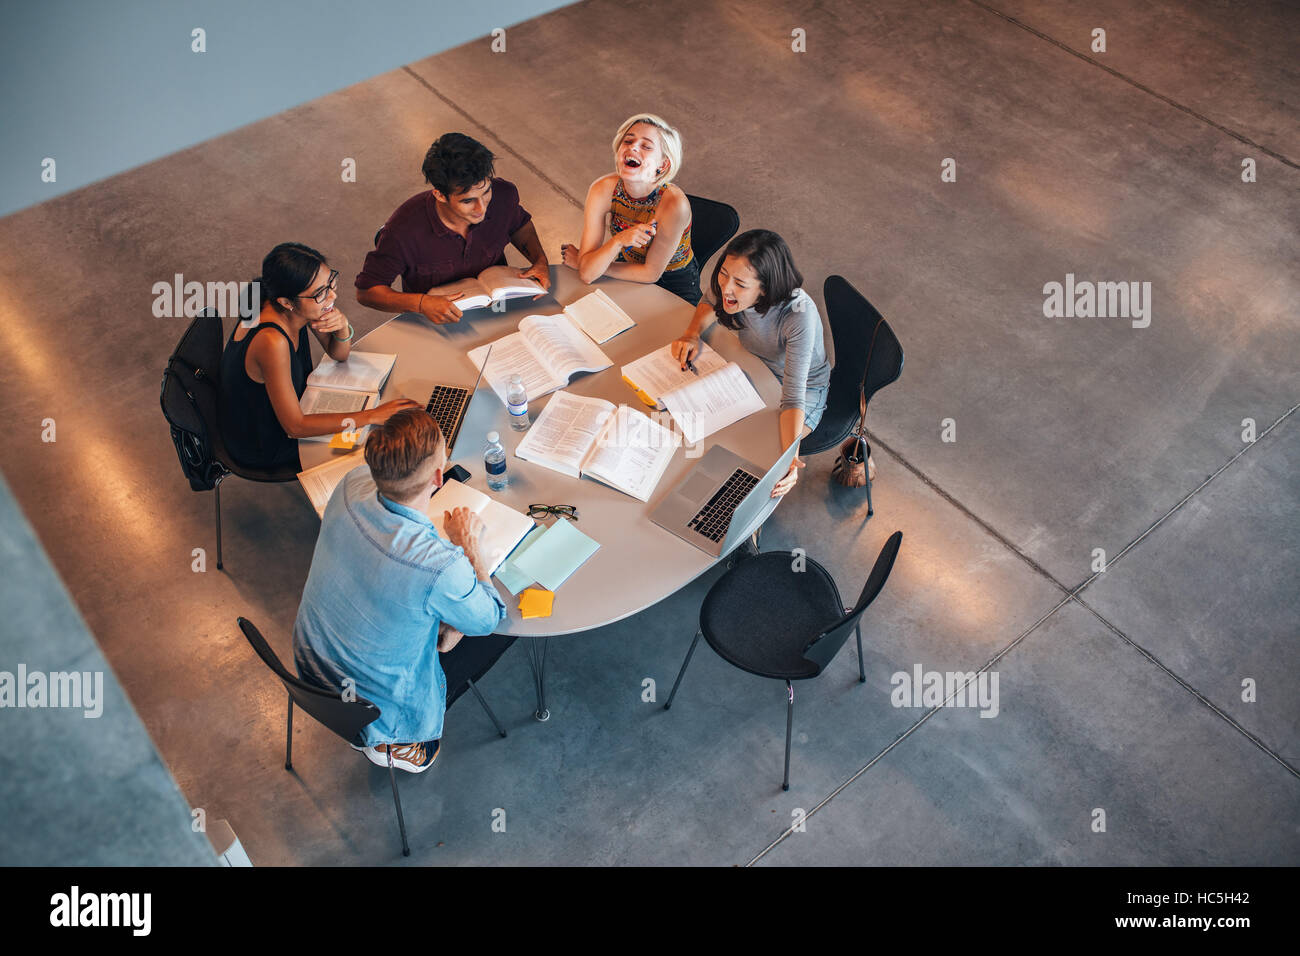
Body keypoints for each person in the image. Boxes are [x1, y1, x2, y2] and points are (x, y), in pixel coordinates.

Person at [293, 409, 507, 773]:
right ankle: (403, 742)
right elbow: (488, 617)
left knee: (443, 620)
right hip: (371, 712)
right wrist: (469, 546)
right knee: (499, 631)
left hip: (310, 667)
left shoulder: (350, 484)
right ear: (440, 476)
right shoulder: (439, 565)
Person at [218, 242, 419, 471]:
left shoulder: (291, 302)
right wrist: (371, 416)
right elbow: (295, 427)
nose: (333, 295)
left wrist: (342, 326)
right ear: (287, 302)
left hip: (286, 407)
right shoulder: (272, 341)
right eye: (321, 293)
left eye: (330, 282)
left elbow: (339, 354)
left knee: (373, 420)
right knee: (372, 445)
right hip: (264, 440)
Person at [670, 230, 831, 497]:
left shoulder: (799, 316)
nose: (726, 288)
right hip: (754, 366)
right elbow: (710, 301)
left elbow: (792, 398)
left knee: (759, 454)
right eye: (723, 274)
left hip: (802, 389)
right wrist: (692, 334)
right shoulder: (731, 281)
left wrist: (790, 459)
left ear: (765, 288)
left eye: (740, 285)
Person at [355, 132, 551, 325]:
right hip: (437, 323)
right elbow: (367, 292)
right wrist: (421, 303)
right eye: (468, 201)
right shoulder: (403, 231)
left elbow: (520, 226)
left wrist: (539, 260)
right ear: (439, 195)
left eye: (486, 192)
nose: (481, 208)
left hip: (499, 312)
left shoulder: (504, 195)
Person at [560, 113, 700, 304]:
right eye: (628, 141)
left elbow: (651, 273)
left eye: (646, 146)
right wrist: (618, 241)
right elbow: (587, 273)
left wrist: (594, 264)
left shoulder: (675, 204)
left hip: (674, 282)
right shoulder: (602, 189)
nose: (633, 147)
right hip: (627, 267)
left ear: (663, 164)